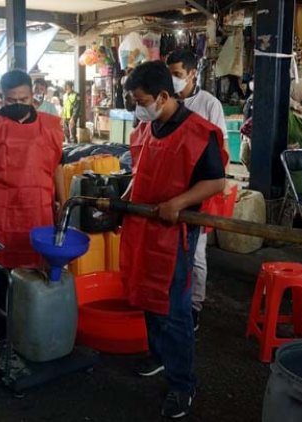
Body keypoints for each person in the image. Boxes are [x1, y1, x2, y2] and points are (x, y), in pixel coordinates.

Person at [123, 61, 225, 419]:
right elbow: (139, 171)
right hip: (144, 225)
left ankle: (183, 383)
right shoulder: (148, 127)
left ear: (164, 96)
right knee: (148, 295)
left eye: (141, 99)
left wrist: (177, 203)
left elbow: (215, 182)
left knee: (176, 310)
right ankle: (158, 355)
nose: (137, 106)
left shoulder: (200, 132)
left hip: (176, 233)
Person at [0, 70, 65, 335]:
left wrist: (63, 203)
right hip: (4, 212)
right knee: (1, 264)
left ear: (33, 96)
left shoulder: (50, 125)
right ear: (1, 99)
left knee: (37, 265)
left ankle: (32, 320)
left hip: (39, 210)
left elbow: (58, 166)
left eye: (24, 99)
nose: (19, 105)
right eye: (12, 101)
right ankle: (1, 321)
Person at [166, 49, 229, 331]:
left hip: (199, 189)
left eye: (177, 74)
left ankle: (194, 307)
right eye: (169, 74)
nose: (173, 80)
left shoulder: (208, 104)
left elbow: (221, 148)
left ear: (193, 73)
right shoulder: (164, 101)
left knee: (197, 252)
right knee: (172, 251)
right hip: (170, 188)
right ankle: (172, 303)